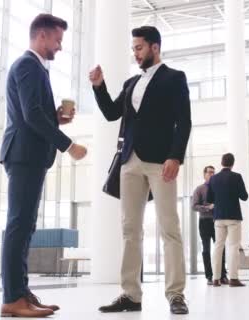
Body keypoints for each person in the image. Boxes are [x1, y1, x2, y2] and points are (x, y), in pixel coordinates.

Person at [90, 26, 191, 315]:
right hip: (129, 161)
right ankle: (130, 294)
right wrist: (99, 86)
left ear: (154, 47)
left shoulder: (174, 78)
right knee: (129, 229)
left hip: (162, 162)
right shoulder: (131, 82)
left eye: (139, 48)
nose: (135, 53)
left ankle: (175, 294)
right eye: (133, 48)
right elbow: (111, 112)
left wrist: (176, 156)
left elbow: (184, 120)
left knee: (169, 228)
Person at [0, 13, 87, 318]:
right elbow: (30, 116)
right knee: (18, 225)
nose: (60, 47)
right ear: (42, 37)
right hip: (23, 155)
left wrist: (56, 117)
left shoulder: (36, 68)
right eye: (58, 40)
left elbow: (36, 112)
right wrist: (68, 144)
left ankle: (21, 293)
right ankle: (12, 297)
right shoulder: (27, 65)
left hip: (30, 156)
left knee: (25, 226)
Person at [207, 153, 249, 287]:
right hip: (233, 217)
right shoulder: (237, 177)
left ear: (221, 162)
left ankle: (215, 279)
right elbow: (244, 196)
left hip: (218, 217)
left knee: (218, 247)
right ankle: (233, 279)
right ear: (232, 163)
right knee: (233, 247)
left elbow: (209, 199)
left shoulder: (213, 179)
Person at [192, 165, 228, 285]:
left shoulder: (218, 188)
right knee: (206, 249)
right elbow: (194, 206)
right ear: (204, 174)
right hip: (204, 222)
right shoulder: (199, 189)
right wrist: (208, 208)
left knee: (220, 249)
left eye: (213, 172)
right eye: (209, 172)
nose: (212, 174)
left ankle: (222, 275)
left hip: (217, 222)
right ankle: (209, 276)